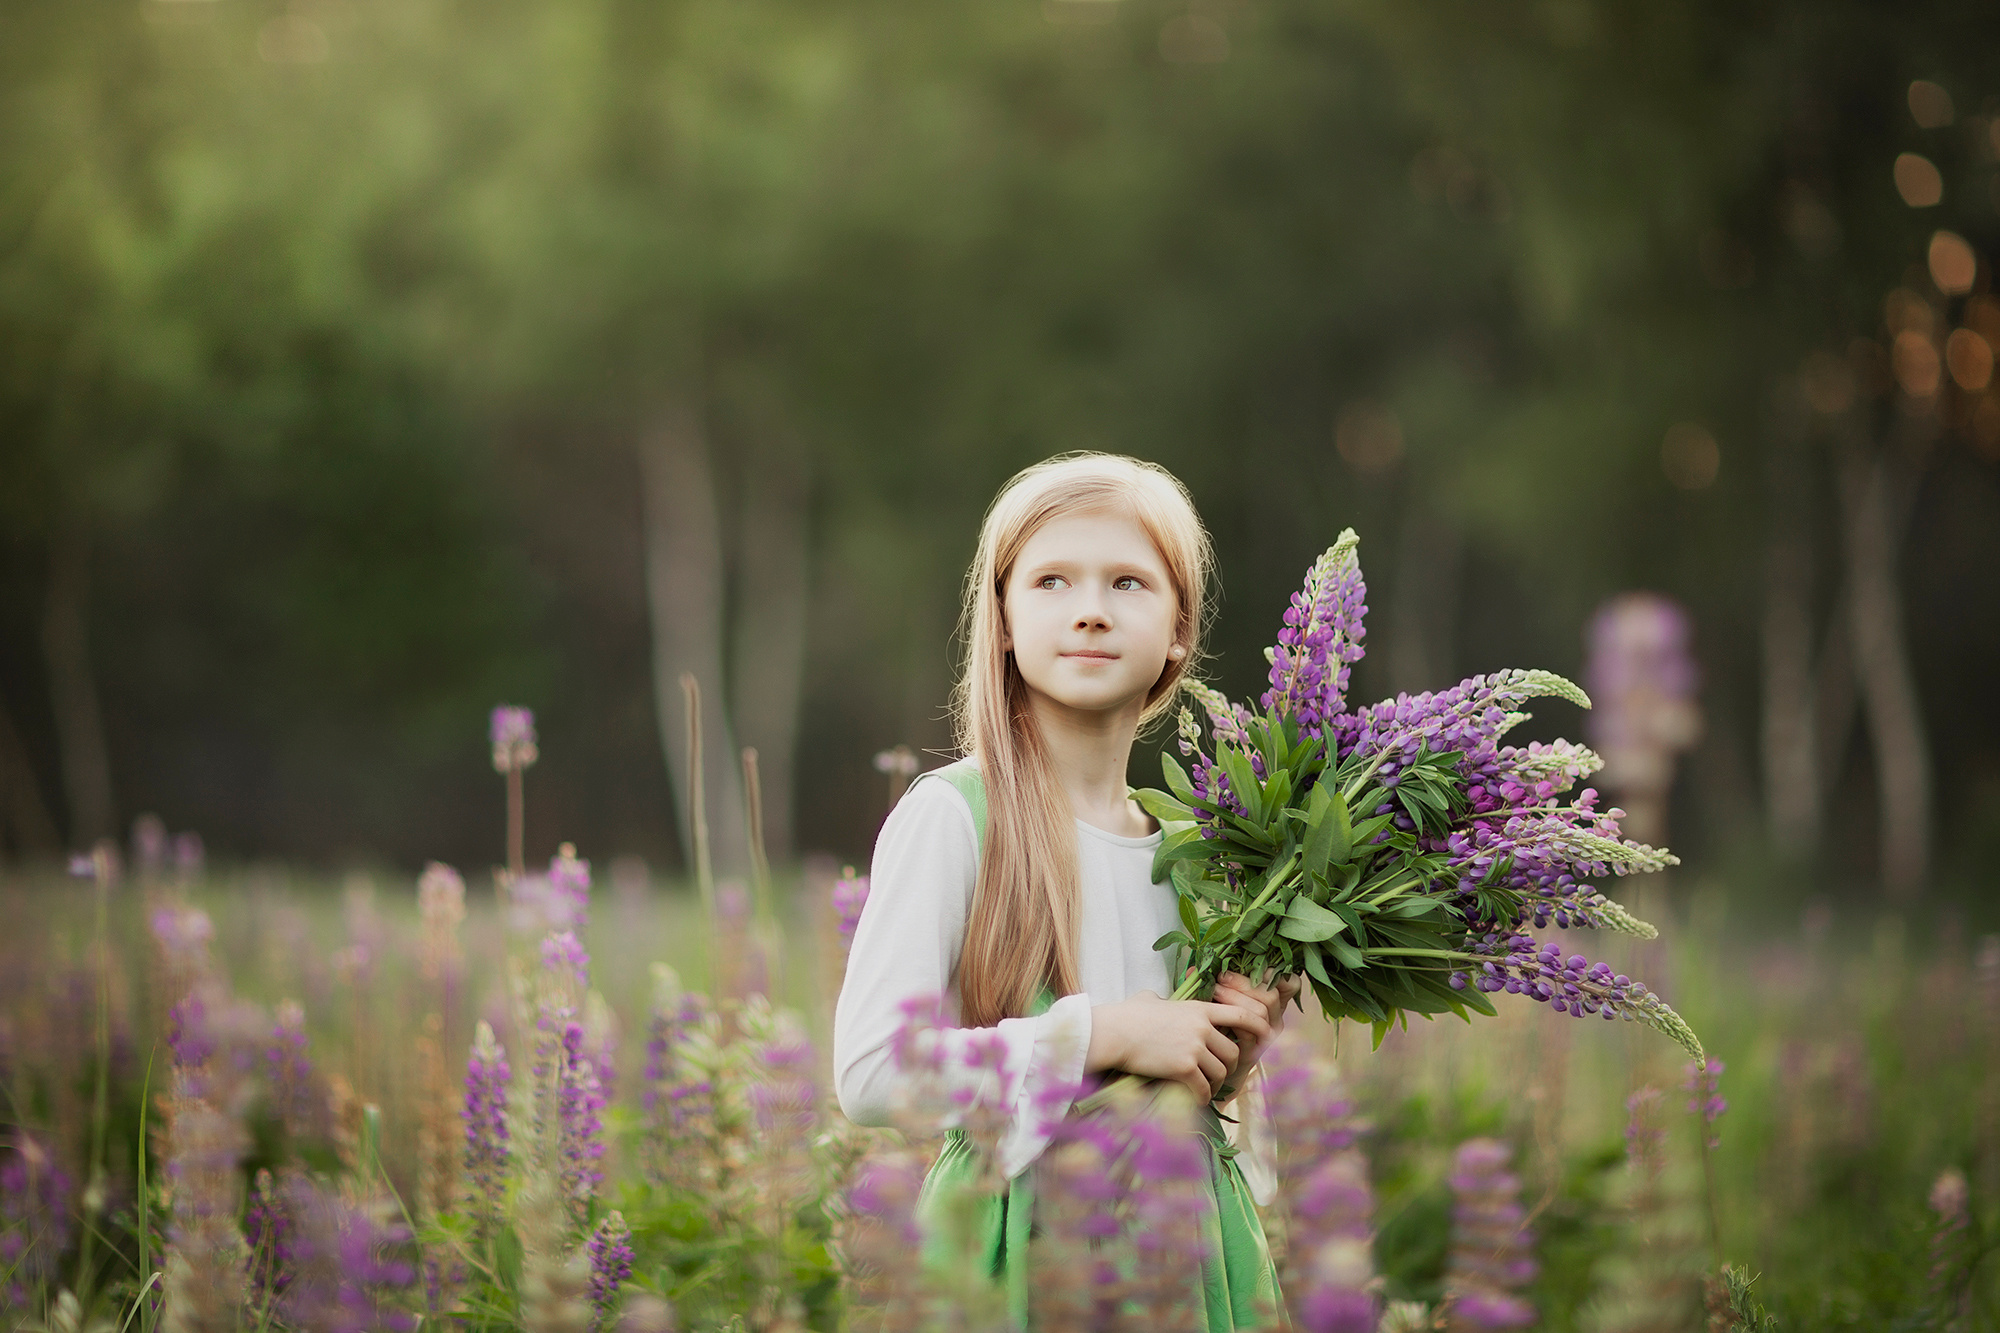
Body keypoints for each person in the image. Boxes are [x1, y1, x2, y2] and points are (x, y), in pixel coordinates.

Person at [834, 452, 1297, 1327]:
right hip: (1016, 1251)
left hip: (1183, 1251)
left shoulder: (1203, 853)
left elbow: (1212, 1111)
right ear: (1003, 620)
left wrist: (1230, 1055)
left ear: (1179, 632)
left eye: (1128, 581)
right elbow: (871, 1073)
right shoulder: (954, 816)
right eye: (1051, 580)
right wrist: (1102, 1031)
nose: (1089, 608)